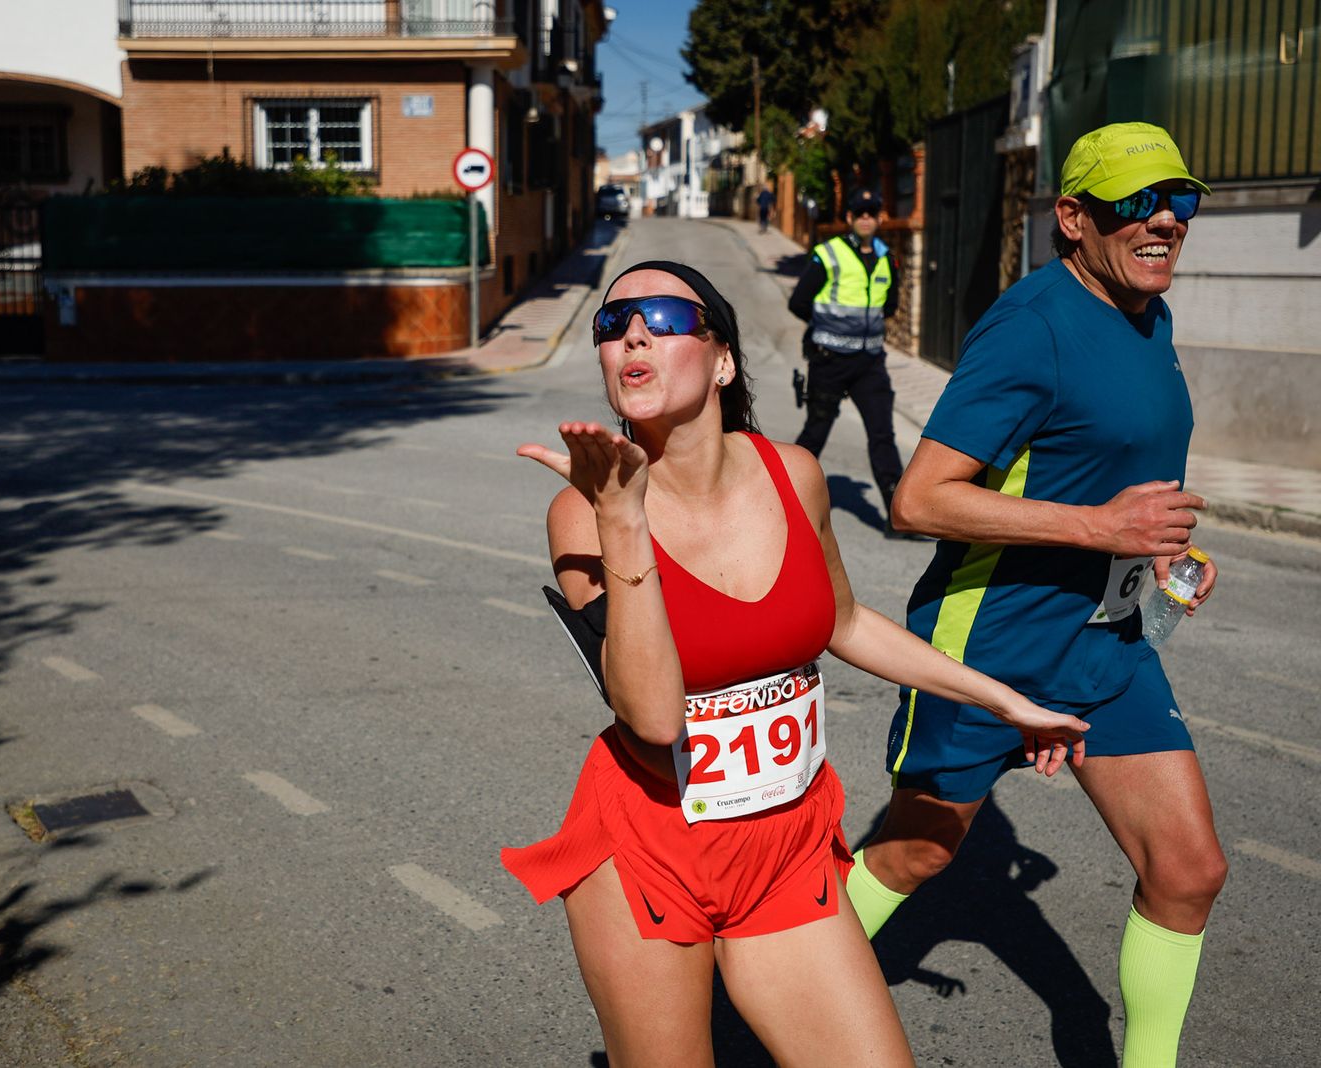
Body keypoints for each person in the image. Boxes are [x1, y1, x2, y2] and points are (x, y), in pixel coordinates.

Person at [502, 260, 1091, 1065]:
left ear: (722, 361)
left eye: (663, 318)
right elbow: (651, 719)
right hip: (649, 851)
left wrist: (1004, 699)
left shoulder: (797, 475)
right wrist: (624, 522)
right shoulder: (582, 512)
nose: (631, 333)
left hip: (787, 847)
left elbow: (843, 620)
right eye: (612, 324)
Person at [851, 123, 1222, 1067]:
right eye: (1137, 204)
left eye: (1179, 201)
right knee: (915, 856)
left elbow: (1113, 474)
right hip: (989, 644)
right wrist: (1101, 528)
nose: (1165, 222)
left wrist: (1168, 556)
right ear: (1072, 219)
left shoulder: (1149, 313)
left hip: (1107, 642)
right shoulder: (1033, 324)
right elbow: (919, 498)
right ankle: (760, 986)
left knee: (1187, 872)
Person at [788, 187, 914, 537]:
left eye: (871, 213)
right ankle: (783, 500)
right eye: (859, 213)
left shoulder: (887, 257)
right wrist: (827, 327)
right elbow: (799, 302)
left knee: (882, 434)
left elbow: (889, 305)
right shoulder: (828, 254)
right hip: (829, 359)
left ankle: (896, 516)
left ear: (878, 218)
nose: (865, 219)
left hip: (869, 362)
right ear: (849, 218)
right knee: (817, 431)